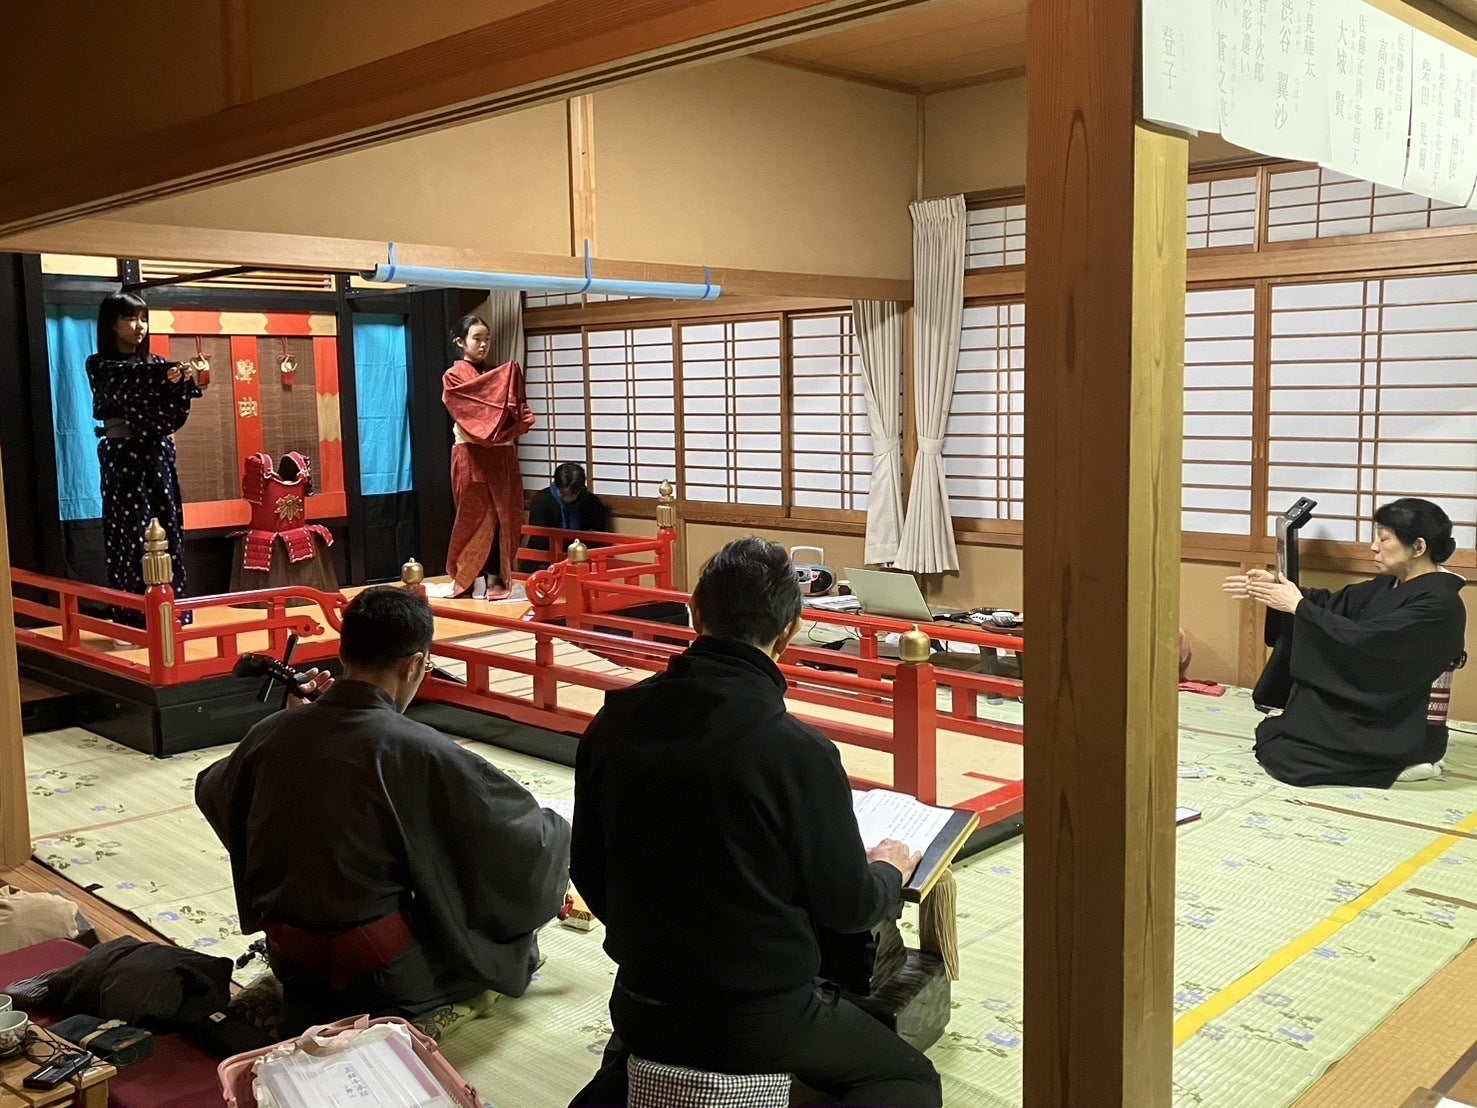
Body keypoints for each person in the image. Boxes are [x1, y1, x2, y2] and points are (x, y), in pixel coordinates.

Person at [568, 537, 943, 1107]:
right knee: (910, 1080)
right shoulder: (796, 752)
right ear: (790, 631)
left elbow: (588, 870)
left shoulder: (612, 723)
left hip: (642, 1004)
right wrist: (888, 869)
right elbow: (849, 907)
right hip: (757, 1018)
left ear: (695, 613)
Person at [196, 587, 570, 1036]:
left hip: (292, 963)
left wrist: (291, 734)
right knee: (509, 948)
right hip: (379, 976)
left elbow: (213, 788)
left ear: (343, 653)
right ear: (414, 664)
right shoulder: (420, 749)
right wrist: (559, 831)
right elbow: (521, 842)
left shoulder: (270, 731)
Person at [1224, 498, 1468, 788]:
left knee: (1290, 759)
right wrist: (1278, 590)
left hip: (1398, 722)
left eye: (1384, 539)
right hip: (1369, 711)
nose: (1374, 547)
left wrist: (1298, 607)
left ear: (1418, 547)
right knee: (1274, 736)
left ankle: (1404, 763)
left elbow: (1369, 642)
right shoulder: (1389, 584)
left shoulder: (1440, 604)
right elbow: (1332, 605)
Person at [87, 291, 202, 625]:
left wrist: (176, 381)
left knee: (169, 529)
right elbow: (126, 384)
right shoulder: (100, 365)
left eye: (143, 319)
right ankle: (131, 613)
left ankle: (174, 611)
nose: (140, 326)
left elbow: (172, 408)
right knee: (128, 531)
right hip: (122, 456)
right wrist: (164, 380)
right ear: (111, 324)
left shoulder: (157, 363)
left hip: (157, 453)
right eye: (130, 318)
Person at [442, 314, 535, 599]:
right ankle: (471, 576)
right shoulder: (454, 376)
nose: (483, 345)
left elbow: (516, 413)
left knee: (503, 516)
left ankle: (497, 577)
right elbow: (471, 415)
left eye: (487, 339)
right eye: (476, 339)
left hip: (502, 455)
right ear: (461, 342)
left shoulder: (500, 375)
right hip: (472, 454)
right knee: (475, 517)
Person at [520, 462, 612, 572]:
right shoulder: (542, 500)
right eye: (562, 493)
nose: (566, 498)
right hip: (546, 556)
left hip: (581, 557)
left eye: (571, 495)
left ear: (580, 489)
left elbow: (599, 537)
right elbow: (539, 538)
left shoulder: (591, 502)